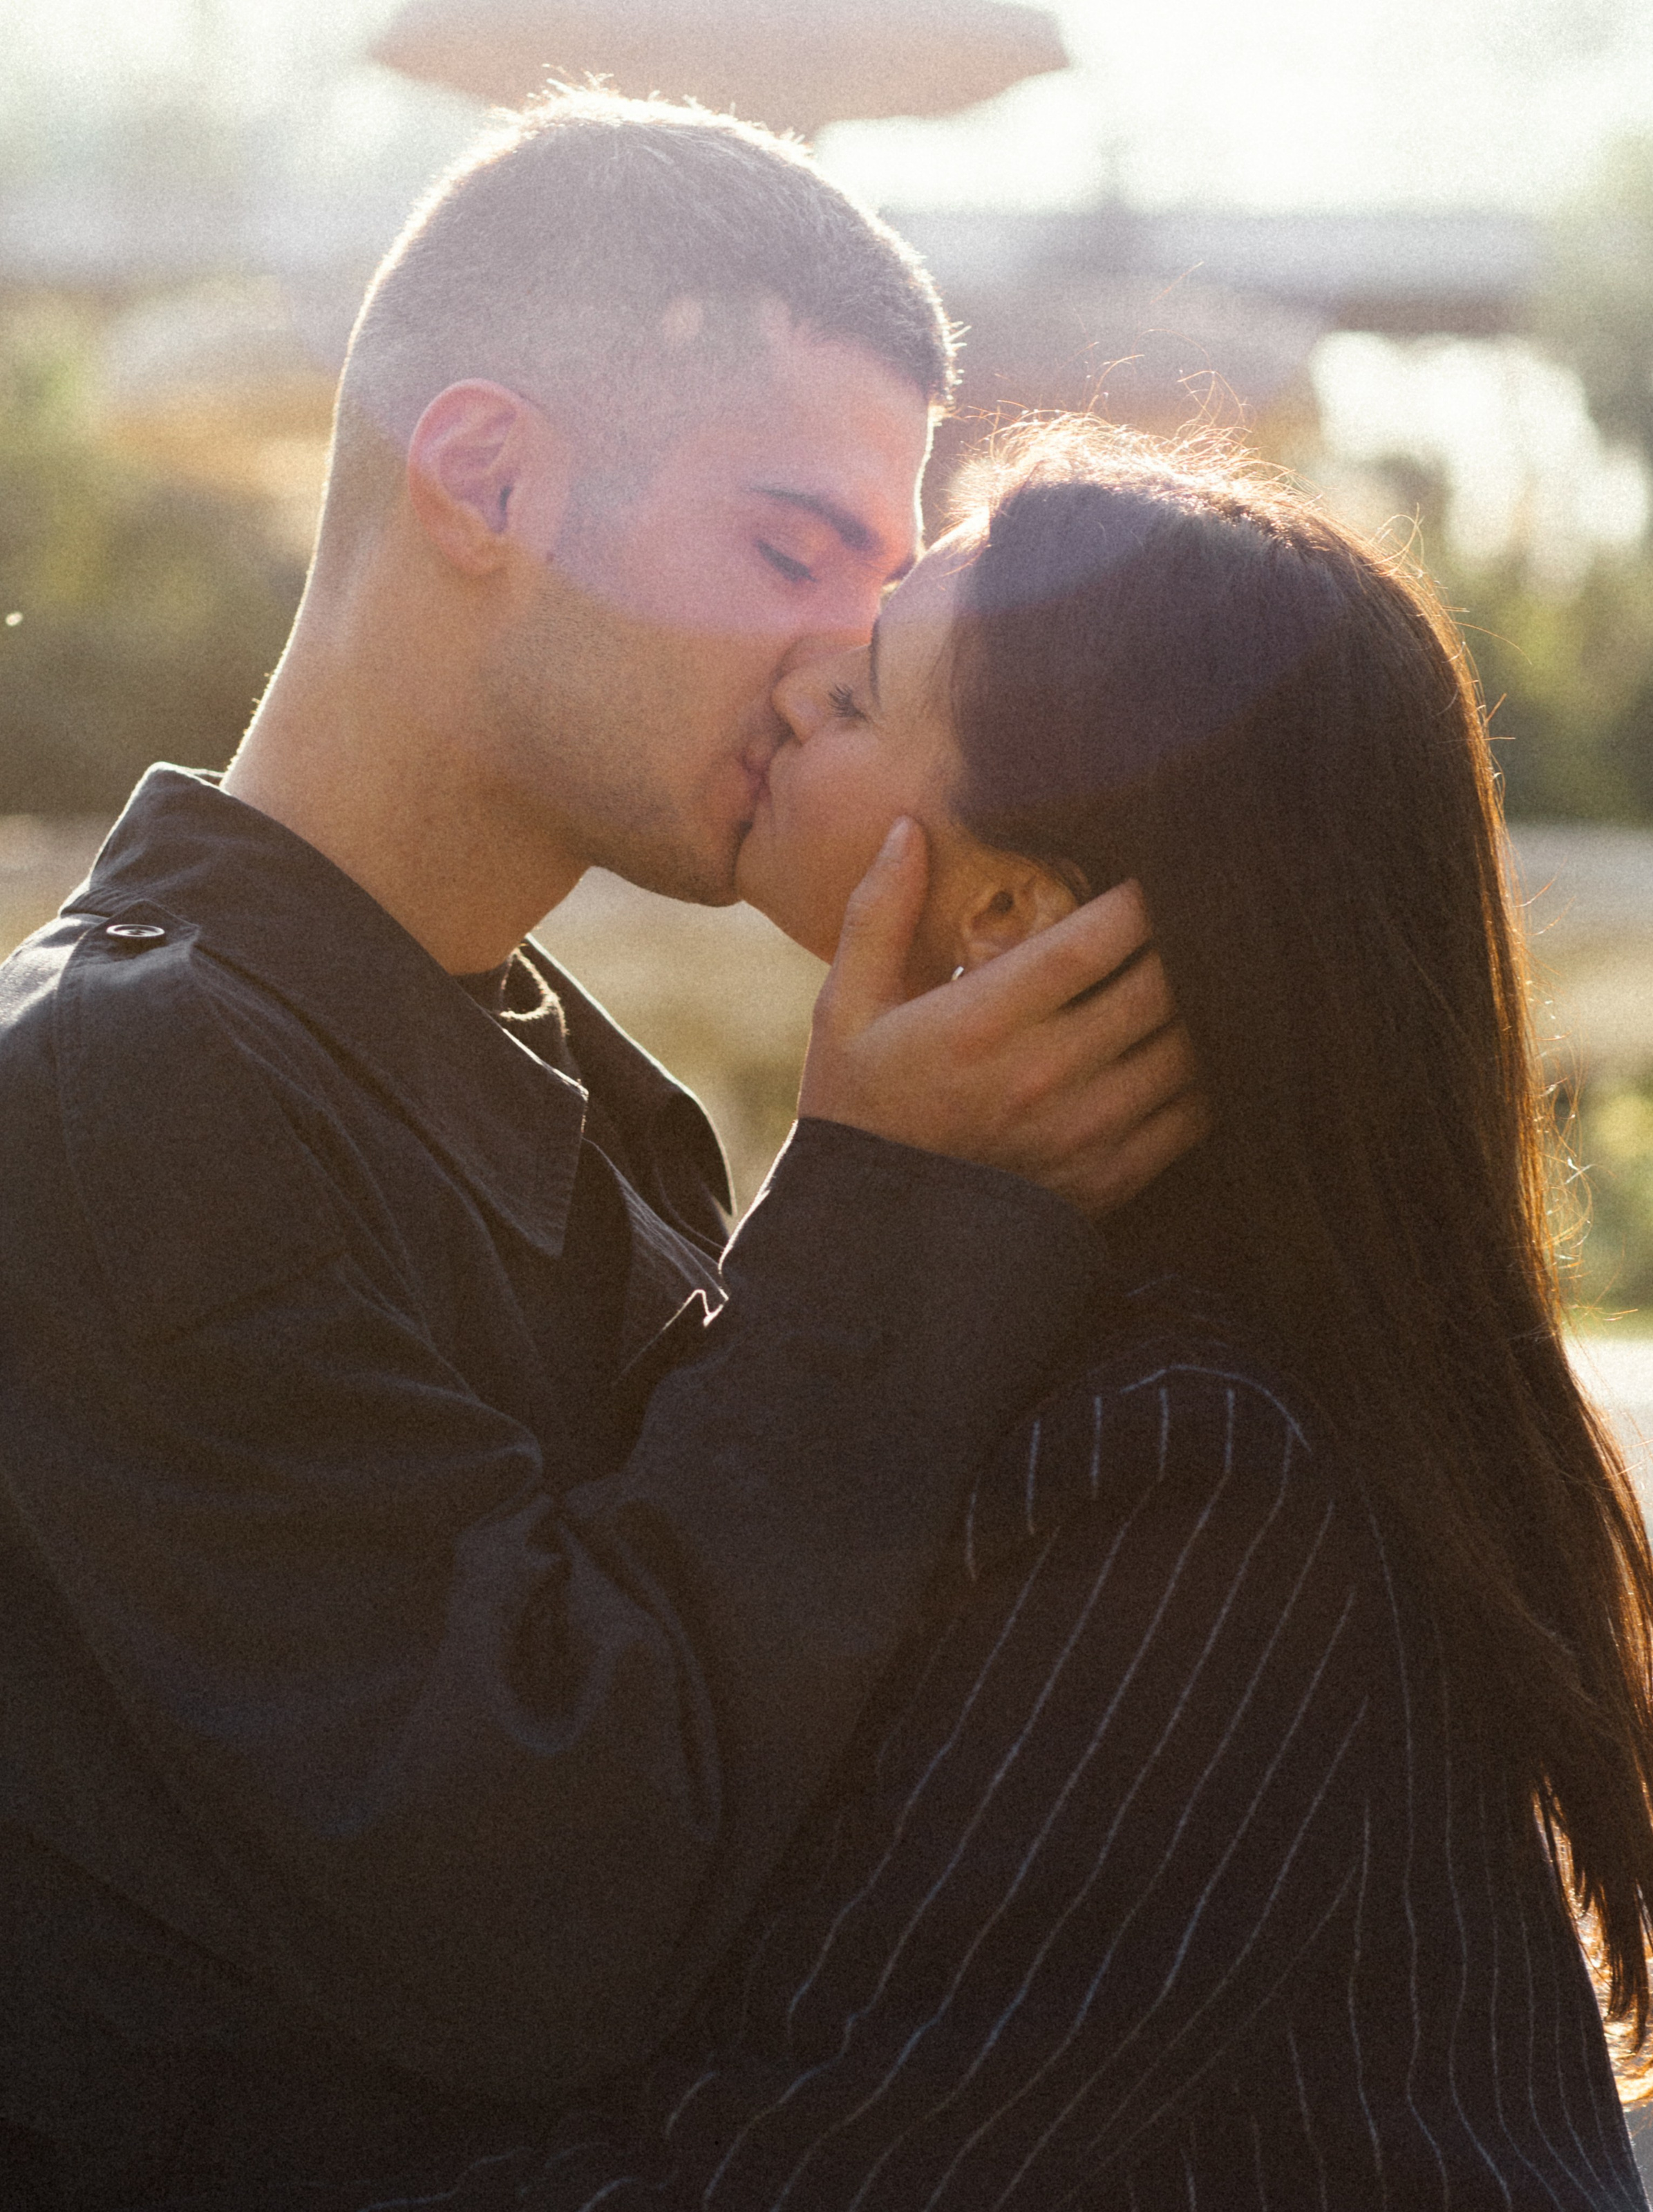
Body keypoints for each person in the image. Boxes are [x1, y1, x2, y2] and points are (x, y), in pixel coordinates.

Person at [0, 102, 1201, 2211]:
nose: (836, 663)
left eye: (879, 588)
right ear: (483, 479)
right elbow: (533, 1908)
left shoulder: (597, 1089)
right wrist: (891, 1223)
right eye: (789, 550)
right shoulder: (115, 1090)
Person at [376, 419, 1653, 2212]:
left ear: (1014, 920)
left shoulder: (1201, 1474)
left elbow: (783, 2174)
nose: (792, 684)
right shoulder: (1146, 1374)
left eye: (862, 693)